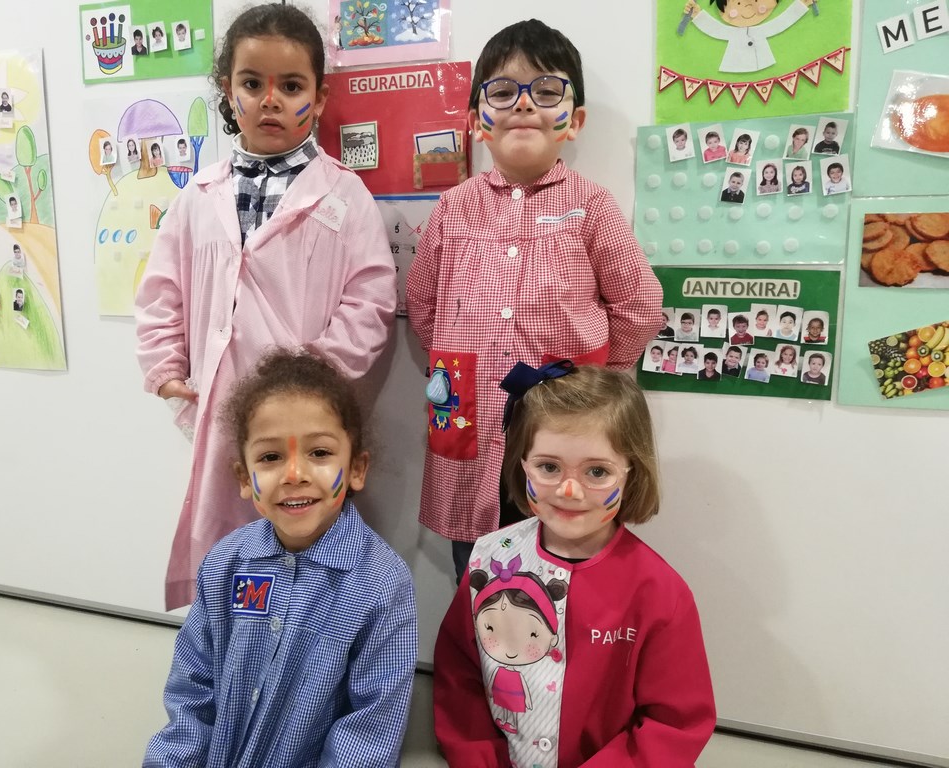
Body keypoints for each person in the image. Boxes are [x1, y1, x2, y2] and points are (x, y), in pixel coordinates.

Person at [135, 4, 397, 610]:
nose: (270, 101)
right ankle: (233, 643)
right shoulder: (199, 196)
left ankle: (308, 643)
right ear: (229, 93)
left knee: (304, 526)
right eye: (252, 84)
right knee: (228, 541)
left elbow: (370, 299)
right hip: (222, 401)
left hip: (305, 408)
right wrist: (165, 365)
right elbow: (161, 290)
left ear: (320, 98)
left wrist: (319, 373)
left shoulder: (344, 196)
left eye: (292, 87)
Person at [405, 19, 662, 581]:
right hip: (468, 419)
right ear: (476, 121)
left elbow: (640, 306)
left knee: (566, 561)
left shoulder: (592, 206)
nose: (523, 104)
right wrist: (457, 367)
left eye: (546, 91)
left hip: (565, 429)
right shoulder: (452, 208)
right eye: (502, 92)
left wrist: (593, 381)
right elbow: (422, 304)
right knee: (477, 569)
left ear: (576, 120)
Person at [433, 361, 715, 767]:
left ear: (632, 474)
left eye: (597, 471)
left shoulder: (660, 592)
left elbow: (674, 724)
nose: (568, 490)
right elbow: (459, 677)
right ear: (521, 463)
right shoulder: (489, 557)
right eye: (549, 467)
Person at [144, 349, 417, 767]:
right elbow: (191, 691)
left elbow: (369, 732)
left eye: (319, 453)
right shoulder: (224, 564)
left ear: (357, 469)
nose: (294, 475)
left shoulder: (382, 584)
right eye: (271, 457)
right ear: (243, 477)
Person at [682, 0, 816, 73]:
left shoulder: (762, 29)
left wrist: (801, 4)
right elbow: (714, 29)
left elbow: (782, 22)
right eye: (738, 4)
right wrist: (697, 15)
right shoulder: (731, 32)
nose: (747, 7)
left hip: (764, 65)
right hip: (734, 65)